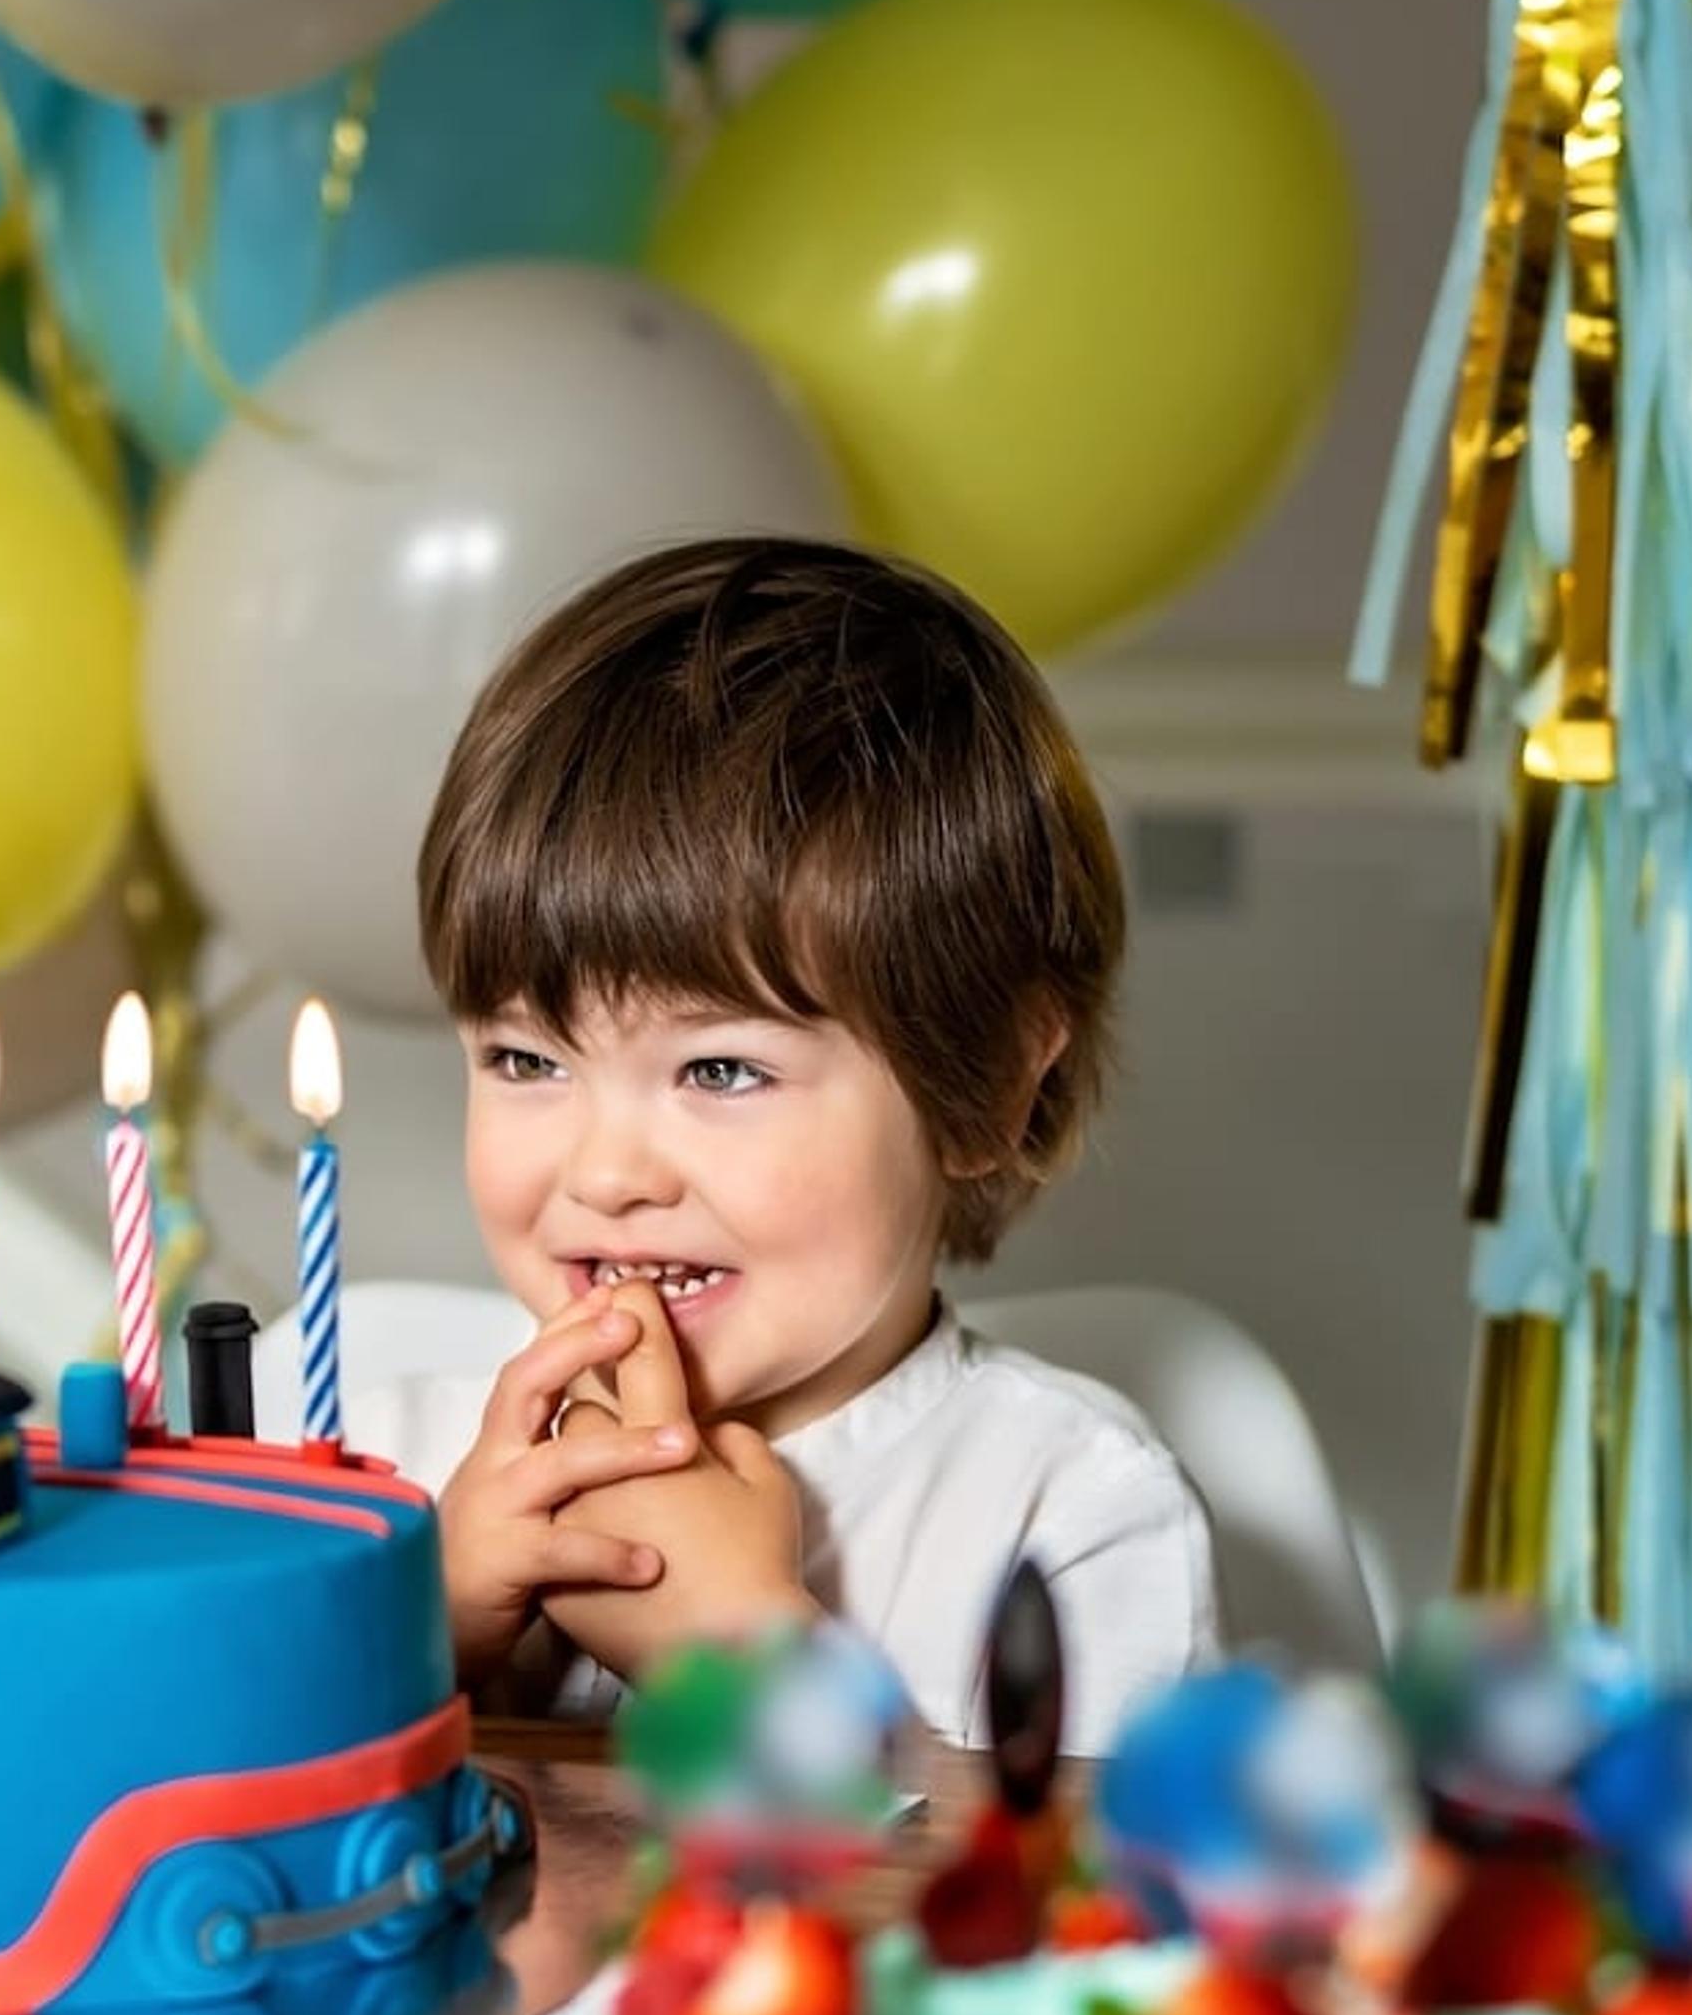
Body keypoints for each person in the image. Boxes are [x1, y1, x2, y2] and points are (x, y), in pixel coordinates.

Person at [406, 536, 1214, 1751]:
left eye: (721, 1069)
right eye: (528, 1061)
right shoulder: (374, 1470)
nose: (607, 1176)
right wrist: (419, 1658)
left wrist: (757, 1667)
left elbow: (1084, 1936)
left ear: (988, 1085)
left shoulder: (1074, 1512)